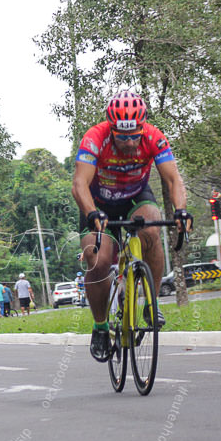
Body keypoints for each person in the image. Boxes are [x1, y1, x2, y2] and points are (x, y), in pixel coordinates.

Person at [73, 90, 192, 362]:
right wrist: (92, 213)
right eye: (122, 135)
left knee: (152, 226)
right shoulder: (95, 138)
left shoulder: (153, 137)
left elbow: (174, 179)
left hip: (134, 196)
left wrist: (181, 210)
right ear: (111, 127)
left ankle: (152, 304)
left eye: (133, 135)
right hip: (97, 203)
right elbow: (79, 184)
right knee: (98, 259)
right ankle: (101, 326)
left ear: (142, 126)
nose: (128, 141)